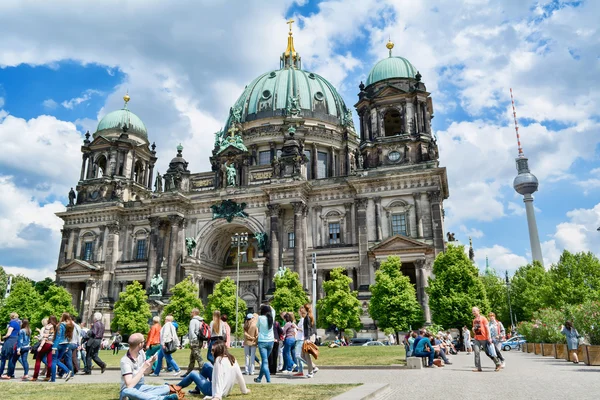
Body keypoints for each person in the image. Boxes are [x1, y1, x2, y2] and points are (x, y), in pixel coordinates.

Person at [175, 341, 251, 398]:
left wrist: (217, 396)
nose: (211, 352)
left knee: (193, 374)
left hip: (214, 391)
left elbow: (219, 377)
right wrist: (244, 390)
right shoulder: (232, 358)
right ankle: (197, 389)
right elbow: (240, 376)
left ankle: (175, 388)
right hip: (225, 390)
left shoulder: (219, 361)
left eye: (213, 350)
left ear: (218, 351)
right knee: (206, 365)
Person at [119, 333, 180, 400]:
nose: (145, 343)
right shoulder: (125, 361)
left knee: (166, 388)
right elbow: (129, 385)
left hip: (141, 387)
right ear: (139, 344)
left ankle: (143, 397)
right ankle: (161, 399)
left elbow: (146, 373)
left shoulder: (141, 353)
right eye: (143, 341)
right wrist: (143, 368)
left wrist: (151, 362)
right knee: (128, 391)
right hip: (128, 391)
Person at [471, 307, 501, 372]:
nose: (473, 312)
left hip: (484, 338)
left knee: (488, 353)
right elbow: (475, 329)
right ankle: (478, 367)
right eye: (472, 311)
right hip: (477, 338)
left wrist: (489, 337)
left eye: (474, 311)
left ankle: (497, 364)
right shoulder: (474, 320)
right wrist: (473, 329)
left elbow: (487, 328)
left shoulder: (483, 318)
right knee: (476, 352)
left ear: (478, 311)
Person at [31, 315, 57, 381]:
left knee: (38, 359)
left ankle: (35, 376)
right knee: (49, 361)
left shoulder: (47, 326)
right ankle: (48, 376)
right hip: (52, 344)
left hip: (46, 343)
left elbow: (45, 338)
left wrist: (40, 346)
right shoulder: (56, 327)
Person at [51, 312, 75, 382]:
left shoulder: (61, 325)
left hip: (59, 344)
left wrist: (54, 347)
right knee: (57, 360)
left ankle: (53, 379)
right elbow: (69, 336)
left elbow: (58, 337)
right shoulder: (70, 325)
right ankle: (68, 371)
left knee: (54, 361)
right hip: (66, 344)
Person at [254, 305, 274, 383]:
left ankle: (268, 380)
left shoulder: (260, 318)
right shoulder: (272, 318)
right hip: (270, 341)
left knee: (265, 362)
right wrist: (269, 305)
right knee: (265, 361)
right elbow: (274, 310)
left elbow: (257, 326)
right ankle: (259, 378)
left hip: (262, 341)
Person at [184, 308, 205, 377]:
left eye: (191, 312)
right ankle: (189, 372)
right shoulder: (201, 320)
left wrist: (191, 341)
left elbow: (191, 332)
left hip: (195, 340)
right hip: (200, 340)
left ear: (194, 313)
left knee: (198, 356)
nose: (190, 313)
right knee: (192, 357)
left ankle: (203, 371)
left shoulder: (193, 321)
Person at [0, 312, 21, 379]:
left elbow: (9, 333)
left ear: (11, 317)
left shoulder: (12, 323)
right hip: (16, 340)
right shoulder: (18, 323)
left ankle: (1, 372)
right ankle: (10, 373)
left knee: (3, 357)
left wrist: (4, 337)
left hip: (10, 340)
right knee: (12, 358)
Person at [301, 303, 318, 378]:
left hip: (309, 337)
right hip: (311, 336)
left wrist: (307, 339)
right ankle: (314, 367)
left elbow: (308, 328)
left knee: (306, 355)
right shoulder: (311, 316)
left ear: (305, 309)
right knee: (303, 355)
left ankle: (310, 372)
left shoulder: (307, 317)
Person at [293, 307, 307, 377]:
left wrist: (296, 327)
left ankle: (311, 366)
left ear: (301, 312)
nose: (298, 312)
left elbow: (303, 330)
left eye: (299, 311)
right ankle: (300, 371)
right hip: (298, 339)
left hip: (301, 339)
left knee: (298, 355)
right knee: (299, 358)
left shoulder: (303, 320)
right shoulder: (301, 319)